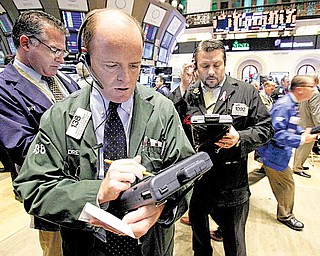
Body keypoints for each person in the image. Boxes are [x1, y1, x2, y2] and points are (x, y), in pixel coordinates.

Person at [14, 9, 194, 256]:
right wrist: (96, 193)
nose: (126, 78)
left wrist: (162, 208)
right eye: (111, 65)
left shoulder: (162, 110)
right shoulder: (60, 117)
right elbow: (33, 187)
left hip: (151, 246)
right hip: (86, 247)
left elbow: (186, 175)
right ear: (86, 60)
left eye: (135, 65)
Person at [172, 39, 274, 256]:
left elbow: (266, 129)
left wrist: (240, 137)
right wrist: (182, 86)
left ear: (225, 64)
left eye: (216, 65)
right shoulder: (189, 93)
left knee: (235, 245)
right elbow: (172, 120)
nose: (211, 72)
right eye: (204, 66)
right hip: (197, 183)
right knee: (200, 243)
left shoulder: (245, 92)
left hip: (232, 184)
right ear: (195, 65)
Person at [0, 10, 80, 256]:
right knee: (58, 250)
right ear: (25, 43)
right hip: (50, 190)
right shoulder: (4, 90)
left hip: (85, 183)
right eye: (54, 50)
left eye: (63, 51)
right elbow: (23, 148)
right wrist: (79, 145)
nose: (60, 58)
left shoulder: (67, 82)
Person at [257, 75, 318, 231]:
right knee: (287, 185)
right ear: (300, 89)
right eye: (311, 87)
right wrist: (301, 140)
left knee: (257, 176)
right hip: (274, 154)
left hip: (276, 154)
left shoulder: (292, 103)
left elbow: (290, 126)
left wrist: (303, 132)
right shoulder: (284, 105)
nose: (314, 89)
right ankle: (286, 216)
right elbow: (275, 133)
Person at [293, 74, 320, 178]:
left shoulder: (307, 91)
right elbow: (315, 111)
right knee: (304, 147)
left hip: (302, 120)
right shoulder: (315, 93)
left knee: (303, 146)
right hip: (309, 123)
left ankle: (299, 164)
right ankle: (297, 167)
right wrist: (319, 125)